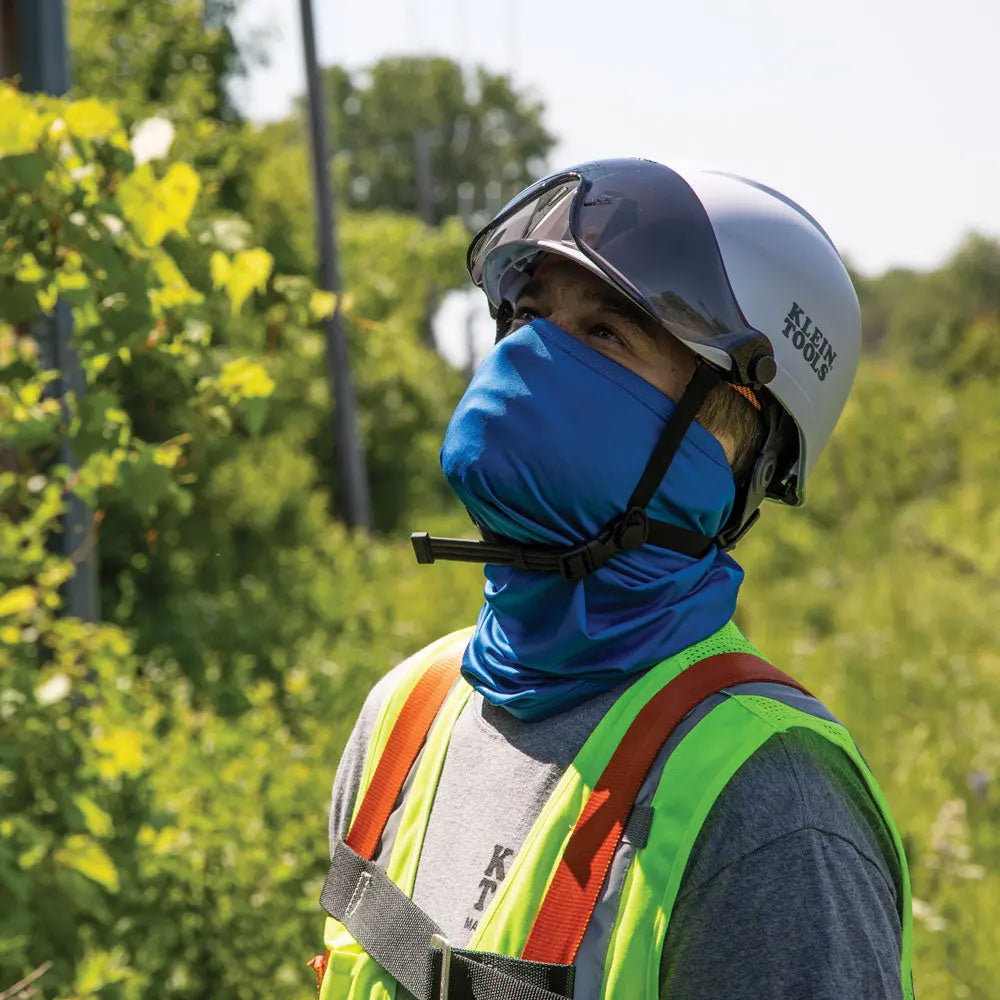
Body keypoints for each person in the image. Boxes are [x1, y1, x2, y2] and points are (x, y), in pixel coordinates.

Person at [311, 159, 915, 1000]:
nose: (532, 356)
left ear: (732, 431)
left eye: (603, 334)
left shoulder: (774, 815)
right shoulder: (406, 713)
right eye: (527, 316)